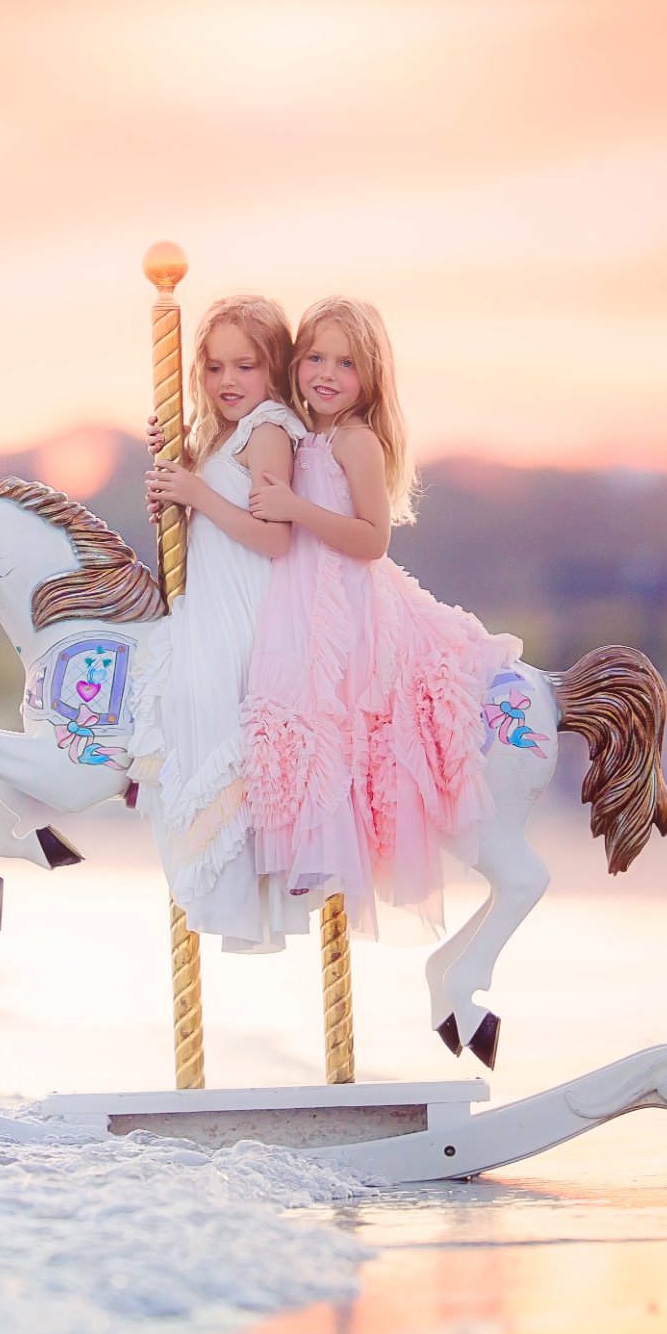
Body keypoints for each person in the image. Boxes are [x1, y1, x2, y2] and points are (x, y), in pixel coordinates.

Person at [241, 295, 520, 943]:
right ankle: (288, 840)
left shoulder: (356, 441)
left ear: (369, 377)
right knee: (283, 705)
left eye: (345, 362)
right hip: (300, 594)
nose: (327, 373)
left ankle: (324, 849)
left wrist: (292, 507)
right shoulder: (297, 434)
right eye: (315, 357)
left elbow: (372, 540)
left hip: (348, 599)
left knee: (333, 711)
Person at [133, 294, 310, 952]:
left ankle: (225, 873)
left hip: (241, 610)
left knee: (199, 716)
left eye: (245, 366)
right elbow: (200, 517)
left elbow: (275, 538)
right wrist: (176, 479)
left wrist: (196, 492)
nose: (227, 381)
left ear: (275, 371)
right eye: (213, 368)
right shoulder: (224, 433)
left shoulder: (269, 427)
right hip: (209, 602)